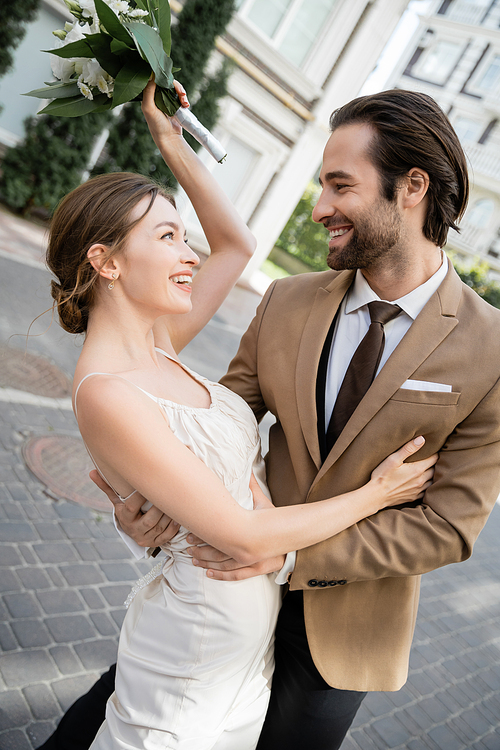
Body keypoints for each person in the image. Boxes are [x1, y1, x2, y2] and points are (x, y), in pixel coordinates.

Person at [39, 88, 500, 750]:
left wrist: (283, 554)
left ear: (413, 187)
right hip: (209, 599)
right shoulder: (286, 301)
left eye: (340, 185)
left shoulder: (492, 347)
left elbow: (449, 527)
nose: (318, 209)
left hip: (339, 637)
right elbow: (207, 423)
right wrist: (145, 507)